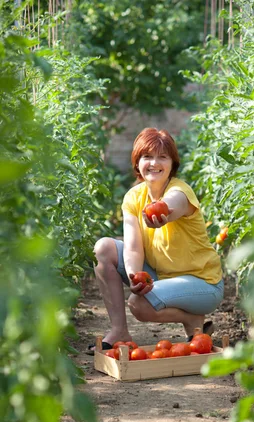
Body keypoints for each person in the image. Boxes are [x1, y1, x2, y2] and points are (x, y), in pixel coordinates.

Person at [87, 127, 224, 353]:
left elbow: (173, 203)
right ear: (137, 162)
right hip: (162, 277)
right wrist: (133, 275)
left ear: (172, 164)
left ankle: (191, 319)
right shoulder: (134, 197)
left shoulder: (180, 191)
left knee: (138, 304)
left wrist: (163, 213)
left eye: (162, 157)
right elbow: (132, 247)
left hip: (202, 283)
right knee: (103, 248)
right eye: (147, 156)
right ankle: (119, 330)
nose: (154, 163)